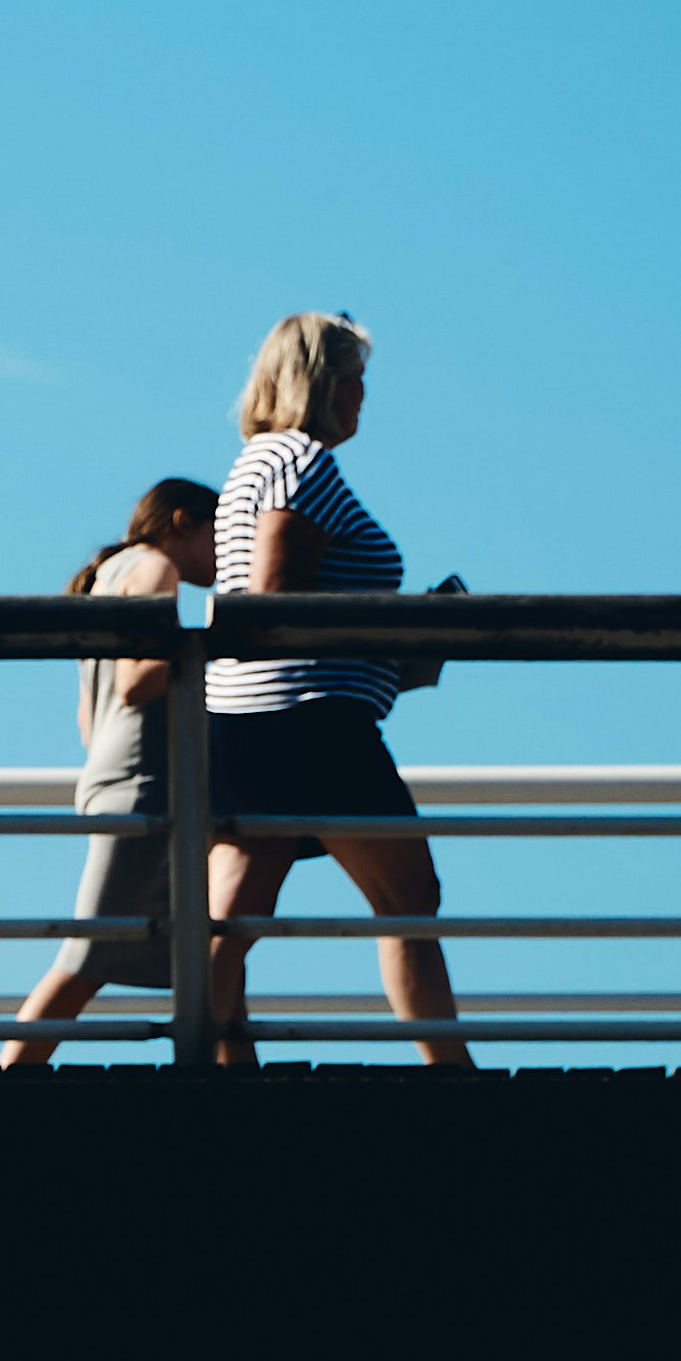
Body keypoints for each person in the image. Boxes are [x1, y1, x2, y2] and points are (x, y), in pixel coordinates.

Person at [204, 312, 467, 1070]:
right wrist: (394, 634)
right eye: (355, 378)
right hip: (310, 724)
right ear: (319, 382)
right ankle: (451, 1070)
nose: (362, 396)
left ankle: (211, 1058)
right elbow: (274, 599)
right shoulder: (299, 463)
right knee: (408, 897)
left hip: (250, 716)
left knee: (234, 912)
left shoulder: (257, 459)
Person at [0, 479, 218, 1071]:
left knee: (209, 953)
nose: (224, 553)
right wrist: (210, 649)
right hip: (142, 788)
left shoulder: (106, 576)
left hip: (111, 777)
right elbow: (137, 679)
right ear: (182, 522)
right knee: (87, 961)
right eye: (216, 533)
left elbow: (89, 717)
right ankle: (4, 1080)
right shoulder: (154, 569)